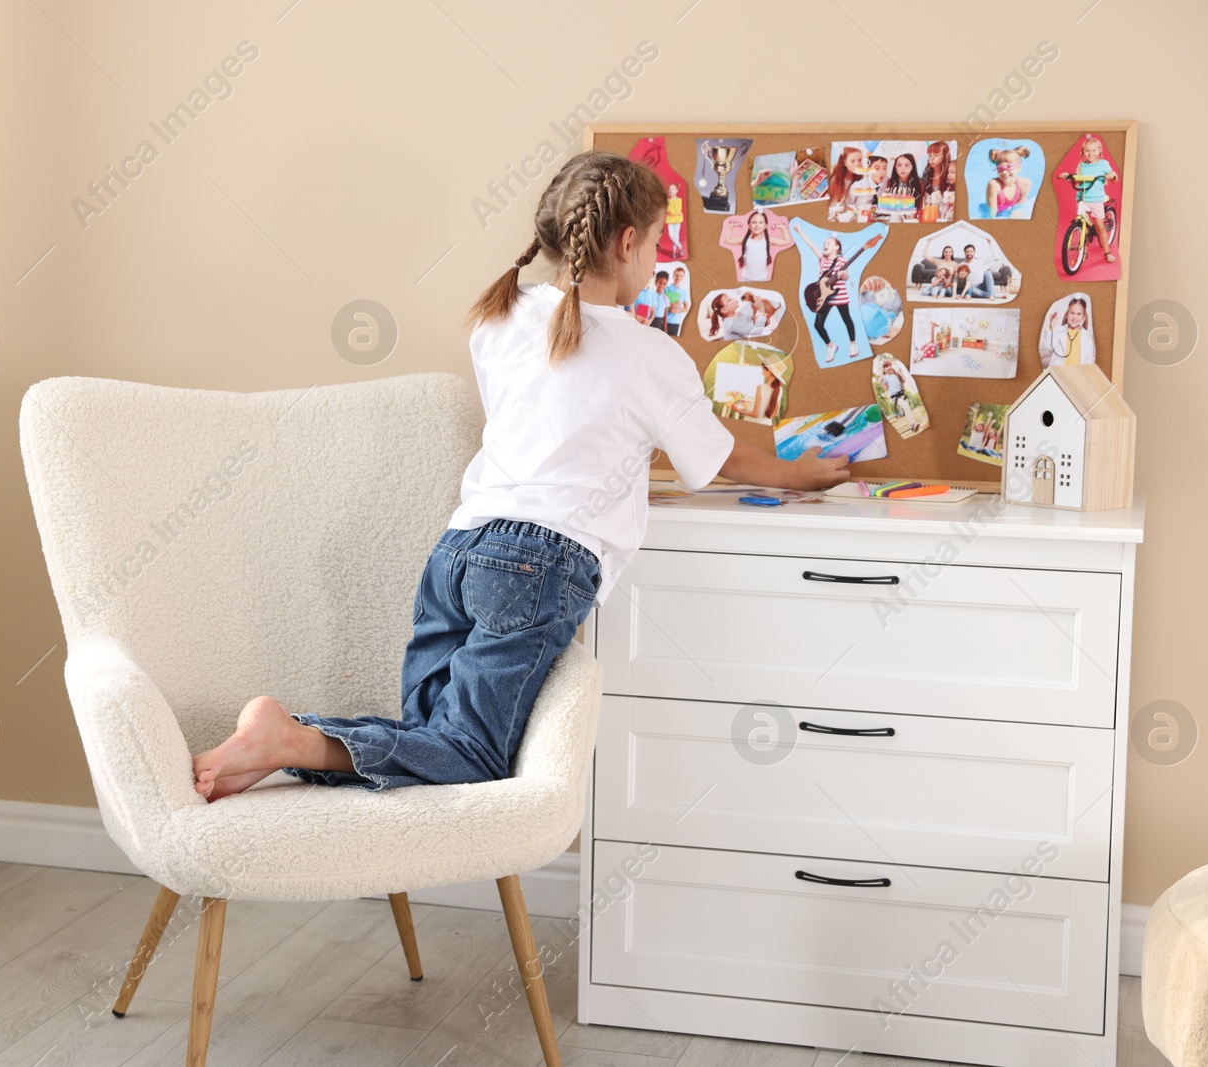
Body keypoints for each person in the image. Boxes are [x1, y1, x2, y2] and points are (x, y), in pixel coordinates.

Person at [189, 151, 850, 798]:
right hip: (539, 563)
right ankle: (292, 738)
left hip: (458, 549)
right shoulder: (654, 355)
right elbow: (718, 458)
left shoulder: (498, 316)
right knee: (470, 754)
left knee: (430, 739)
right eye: (656, 243)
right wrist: (804, 474)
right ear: (627, 243)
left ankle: (286, 742)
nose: (656, 260)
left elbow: (548, 415)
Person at [1058, 135, 1119, 262]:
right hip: (1083, 199)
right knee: (1082, 224)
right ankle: (1083, 250)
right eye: (1087, 151)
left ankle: (1107, 252)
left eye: (1094, 150)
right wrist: (1069, 177)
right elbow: (1077, 183)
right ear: (1082, 152)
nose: (1090, 153)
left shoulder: (1103, 164)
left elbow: (1114, 179)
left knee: (1099, 226)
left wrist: (1113, 175)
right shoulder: (1082, 165)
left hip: (1096, 200)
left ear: (1099, 151)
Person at [1039, 296, 1096, 366]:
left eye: (1079, 314)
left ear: (1084, 316)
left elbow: (1088, 361)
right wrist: (1052, 325)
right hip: (1059, 372)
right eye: (1072, 313)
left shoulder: (1087, 337)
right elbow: (1048, 346)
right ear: (1067, 314)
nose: (1075, 317)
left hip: (1077, 374)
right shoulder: (1059, 332)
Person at [985, 146, 1033, 218]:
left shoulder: (1025, 183)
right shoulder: (994, 185)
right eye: (1000, 168)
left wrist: (1015, 212)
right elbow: (991, 214)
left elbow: (1019, 206)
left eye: (1009, 167)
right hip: (992, 211)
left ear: (1019, 168)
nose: (1004, 172)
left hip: (1008, 212)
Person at [663, 265, 690, 337]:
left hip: (675, 322)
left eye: (681, 276)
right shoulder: (666, 289)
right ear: (673, 276)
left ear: (683, 277)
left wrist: (677, 311)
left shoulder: (683, 292)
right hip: (665, 321)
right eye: (676, 275)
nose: (678, 278)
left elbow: (686, 307)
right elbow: (662, 304)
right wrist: (673, 305)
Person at [664, 183, 686, 259]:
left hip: (677, 220)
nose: (671, 191)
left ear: (676, 191)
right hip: (670, 220)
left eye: (672, 189)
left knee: (676, 236)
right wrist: (676, 213)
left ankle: (674, 252)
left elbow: (677, 209)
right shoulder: (667, 201)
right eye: (669, 189)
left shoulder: (679, 200)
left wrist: (675, 212)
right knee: (672, 236)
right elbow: (669, 210)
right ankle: (680, 246)